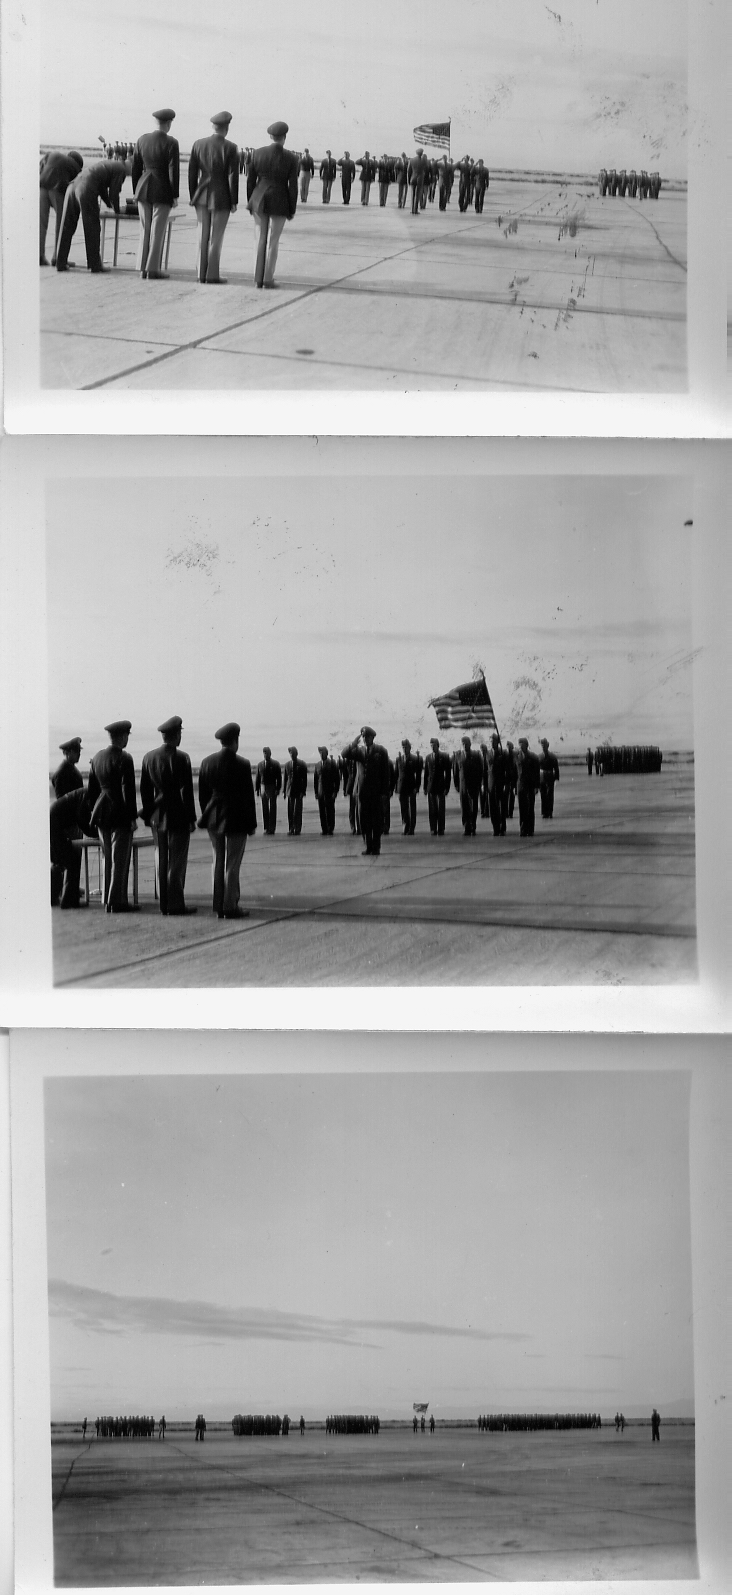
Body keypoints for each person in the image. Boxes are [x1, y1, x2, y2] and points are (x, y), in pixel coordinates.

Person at [197, 722, 257, 918]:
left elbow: (203, 796)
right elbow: (248, 797)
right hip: (236, 819)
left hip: (213, 818)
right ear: (235, 741)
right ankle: (230, 905)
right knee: (232, 864)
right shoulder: (243, 764)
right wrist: (251, 824)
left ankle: (218, 904)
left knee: (217, 861)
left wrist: (207, 815)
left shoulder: (206, 762)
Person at [139, 715, 197, 915]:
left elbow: (145, 791)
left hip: (157, 816)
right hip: (177, 814)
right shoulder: (182, 758)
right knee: (177, 862)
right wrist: (191, 819)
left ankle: (164, 903)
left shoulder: (148, 757)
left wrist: (149, 814)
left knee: (161, 859)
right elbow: (186, 792)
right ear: (176, 735)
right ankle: (176, 903)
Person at [87, 720, 138, 911]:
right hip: (119, 815)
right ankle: (117, 902)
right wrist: (132, 818)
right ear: (122, 736)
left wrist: (95, 812)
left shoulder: (97, 758)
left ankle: (108, 901)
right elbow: (127, 791)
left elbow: (92, 791)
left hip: (102, 815)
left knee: (108, 859)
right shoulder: (125, 758)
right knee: (120, 861)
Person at [247, 120, 299, 289]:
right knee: (273, 240)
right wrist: (292, 208)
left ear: (270, 136)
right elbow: (293, 186)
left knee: (259, 238)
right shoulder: (292, 158)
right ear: (284, 137)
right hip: (280, 199)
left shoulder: (257, 153)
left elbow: (250, 181)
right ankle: (268, 278)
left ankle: (258, 278)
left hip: (259, 199)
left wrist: (251, 202)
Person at [188, 111, 239, 284]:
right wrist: (234, 201)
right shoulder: (231, 147)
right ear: (227, 128)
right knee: (216, 237)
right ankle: (212, 275)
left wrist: (193, 195)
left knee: (202, 235)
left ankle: (200, 274)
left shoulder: (198, 144)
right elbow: (233, 176)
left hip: (201, 194)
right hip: (221, 195)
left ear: (213, 126)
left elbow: (192, 173)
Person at [131, 108, 179, 280]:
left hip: (143, 187)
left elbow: (135, 168)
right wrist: (174, 195)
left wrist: (136, 190)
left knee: (145, 229)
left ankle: (141, 267)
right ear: (168, 123)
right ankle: (152, 269)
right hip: (162, 189)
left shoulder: (142, 140)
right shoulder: (171, 142)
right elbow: (173, 170)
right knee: (157, 231)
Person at [56, 159, 128, 272]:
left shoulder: (108, 165)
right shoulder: (121, 170)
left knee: (67, 226)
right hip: (86, 189)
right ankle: (94, 265)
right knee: (92, 228)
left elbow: (102, 187)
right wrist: (118, 210)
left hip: (72, 187)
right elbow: (114, 192)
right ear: (130, 165)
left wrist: (109, 204)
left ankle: (60, 262)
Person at [340, 727, 390, 856]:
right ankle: (368, 846)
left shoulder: (381, 751)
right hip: (362, 792)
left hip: (376, 792)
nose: (365, 739)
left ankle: (376, 847)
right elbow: (344, 754)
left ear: (372, 737)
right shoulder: (359, 751)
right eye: (363, 737)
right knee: (364, 820)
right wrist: (353, 743)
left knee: (376, 821)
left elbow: (385, 773)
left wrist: (385, 792)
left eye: (367, 737)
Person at [40, 149, 83, 265]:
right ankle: (57, 257)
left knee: (41, 223)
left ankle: (39, 256)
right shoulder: (76, 167)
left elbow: (40, 167)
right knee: (62, 224)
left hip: (41, 185)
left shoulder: (52, 155)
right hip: (57, 189)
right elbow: (76, 189)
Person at [454, 735, 483, 836]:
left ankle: (473, 826)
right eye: (463, 744)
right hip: (463, 786)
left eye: (466, 744)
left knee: (474, 807)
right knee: (464, 807)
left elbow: (480, 770)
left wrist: (479, 784)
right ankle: (466, 827)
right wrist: (457, 785)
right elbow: (456, 771)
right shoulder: (458, 755)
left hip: (473, 785)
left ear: (470, 744)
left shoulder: (476, 755)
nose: (465, 746)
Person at [423, 737, 451, 835]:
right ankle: (433, 828)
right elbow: (426, 774)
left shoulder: (444, 756)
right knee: (432, 809)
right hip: (431, 787)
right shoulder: (428, 758)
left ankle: (441, 828)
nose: (432, 747)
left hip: (441, 786)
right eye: (431, 746)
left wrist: (447, 787)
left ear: (438, 745)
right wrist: (425, 788)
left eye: (434, 745)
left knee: (441, 809)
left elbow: (448, 773)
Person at [516, 738, 541, 837]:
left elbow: (537, 773)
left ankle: (530, 829)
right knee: (522, 808)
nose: (521, 747)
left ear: (527, 745)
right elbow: (514, 772)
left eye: (522, 745)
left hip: (530, 785)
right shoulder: (516, 757)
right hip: (520, 785)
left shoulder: (533, 757)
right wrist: (514, 786)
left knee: (530, 808)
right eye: (519, 745)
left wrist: (536, 786)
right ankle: (523, 829)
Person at [255, 746, 282, 834]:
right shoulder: (260, 765)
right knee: (264, 808)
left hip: (272, 787)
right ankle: (266, 828)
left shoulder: (275, 764)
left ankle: (272, 828)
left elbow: (279, 778)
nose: (265, 755)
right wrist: (257, 789)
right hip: (263, 787)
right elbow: (258, 777)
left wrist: (278, 788)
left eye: (267, 753)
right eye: (264, 753)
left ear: (270, 754)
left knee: (272, 808)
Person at [314, 745, 340, 835]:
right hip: (320, 792)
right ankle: (324, 829)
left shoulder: (332, 764)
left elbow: (337, 779)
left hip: (330, 791)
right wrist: (316, 793)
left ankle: (330, 828)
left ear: (327, 753)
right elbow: (316, 780)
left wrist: (335, 791)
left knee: (330, 811)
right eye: (320, 753)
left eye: (323, 753)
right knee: (322, 811)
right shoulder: (317, 765)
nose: (321, 755)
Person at [395, 738, 419, 834]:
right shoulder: (399, 759)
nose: (405, 749)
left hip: (411, 787)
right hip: (401, 787)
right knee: (403, 808)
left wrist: (417, 787)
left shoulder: (414, 759)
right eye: (403, 747)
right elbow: (396, 774)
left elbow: (418, 775)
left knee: (412, 808)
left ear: (410, 748)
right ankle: (405, 826)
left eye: (406, 747)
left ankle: (412, 828)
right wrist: (396, 787)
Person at [283, 745, 308, 834]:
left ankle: (297, 828)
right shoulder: (287, 765)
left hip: (298, 790)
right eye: (290, 753)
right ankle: (291, 828)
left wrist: (303, 791)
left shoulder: (302, 764)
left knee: (298, 811)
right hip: (290, 791)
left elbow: (304, 779)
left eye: (293, 753)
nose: (292, 755)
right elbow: (285, 779)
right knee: (290, 811)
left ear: (296, 754)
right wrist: (284, 791)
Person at [486, 732, 507, 835]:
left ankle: (502, 827)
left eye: (494, 741)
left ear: (498, 742)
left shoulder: (503, 753)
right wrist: (484, 785)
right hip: (491, 784)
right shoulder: (487, 753)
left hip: (501, 783)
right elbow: (485, 770)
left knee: (502, 807)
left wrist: (506, 784)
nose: (492, 743)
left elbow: (507, 770)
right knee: (493, 807)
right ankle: (495, 828)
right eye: (491, 741)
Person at [538, 738, 560, 819]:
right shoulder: (539, 756)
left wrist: (556, 778)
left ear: (548, 746)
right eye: (542, 746)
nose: (543, 747)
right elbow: (536, 768)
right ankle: (544, 812)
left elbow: (556, 768)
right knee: (543, 795)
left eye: (545, 745)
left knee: (550, 794)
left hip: (550, 776)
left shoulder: (552, 756)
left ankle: (550, 812)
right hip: (542, 776)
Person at [408, 148, 429, 214]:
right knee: (417, 194)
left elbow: (409, 171)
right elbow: (426, 168)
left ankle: (412, 209)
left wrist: (408, 180)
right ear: (421, 153)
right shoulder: (424, 161)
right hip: (420, 179)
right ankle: (415, 209)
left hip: (413, 178)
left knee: (413, 194)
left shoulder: (411, 160)